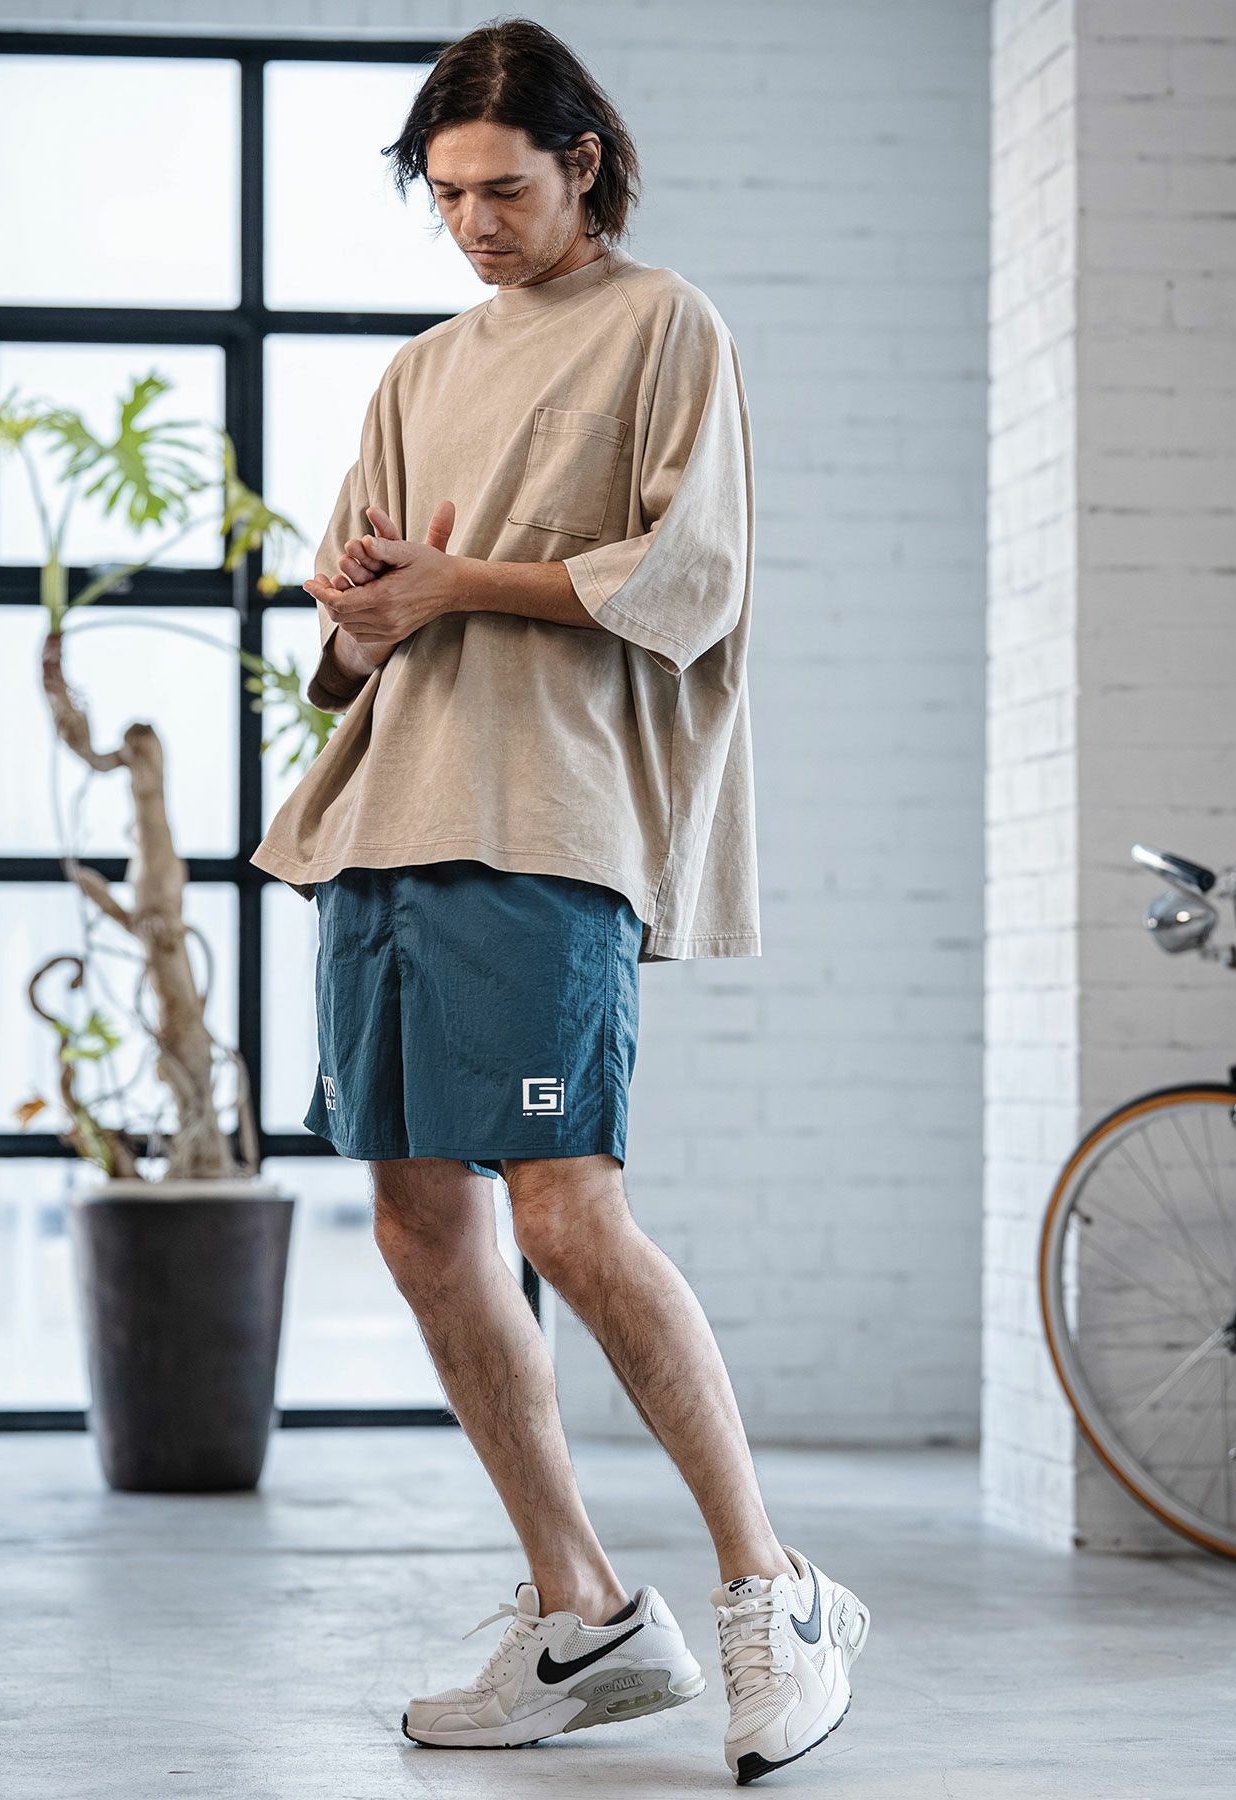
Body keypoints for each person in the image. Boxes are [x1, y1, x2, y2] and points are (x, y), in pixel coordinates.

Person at [251, 18, 869, 1786]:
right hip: (386, 818)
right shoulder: (417, 369)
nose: (473, 225)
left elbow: (692, 580)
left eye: (503, 190)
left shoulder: (667, 326)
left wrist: (455, 581)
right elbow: (354, 650)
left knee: (568, 1212)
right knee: (417, 1225)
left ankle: (776, 1592)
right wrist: (359, 606)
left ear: (582, 162)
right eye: (447, 196)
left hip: (547, 819)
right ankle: (584, 1613)